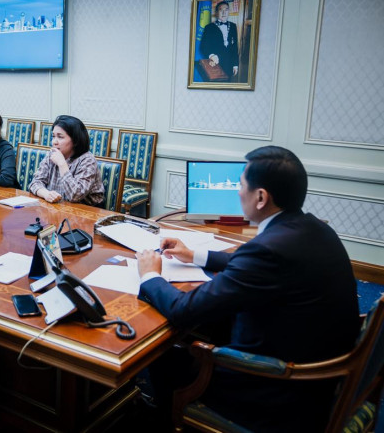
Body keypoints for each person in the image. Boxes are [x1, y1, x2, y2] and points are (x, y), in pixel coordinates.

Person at [135, 146, 360, 431]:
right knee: (220, 322)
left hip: (276, 392)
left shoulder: (267, 250)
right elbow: (256, 265)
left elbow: (184, 310)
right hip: (322, 370)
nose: (238, 192)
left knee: (163, 355)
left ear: (261, 197)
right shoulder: (314, 228)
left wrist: (150, 275)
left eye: (240, 186)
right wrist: (194, 255)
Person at [28, 115, 104, 205]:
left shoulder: (88, 160)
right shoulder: (52, 154)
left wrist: (62, 164)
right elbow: (35, 182)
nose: (54, 142)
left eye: (60, 137)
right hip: (58, 207)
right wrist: (46, 194)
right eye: (53, 136)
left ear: (75, 141)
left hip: (85, 211)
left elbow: (75, 195)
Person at [200, 0, 239, 79]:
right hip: (215, 64)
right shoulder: (209, 27)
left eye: (226, 10)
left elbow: (235, 47)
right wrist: (212, 55)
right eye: (221, 10)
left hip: (229, 65)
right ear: (217, 12)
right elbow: (203, 46)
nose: (224, 13)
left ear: (228, 12)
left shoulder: (233, 26)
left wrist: (235, 65)